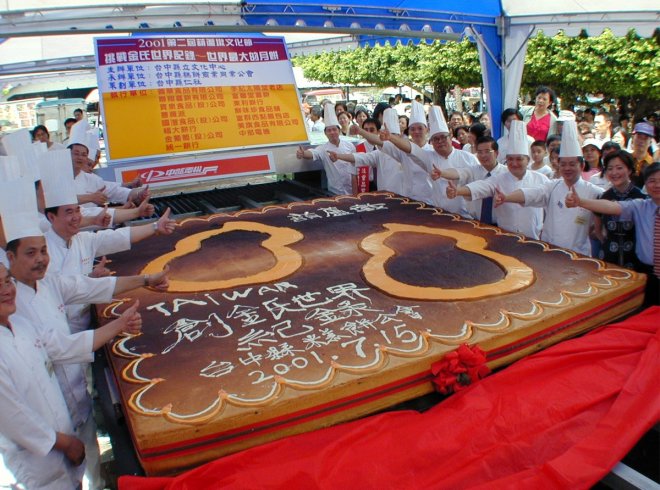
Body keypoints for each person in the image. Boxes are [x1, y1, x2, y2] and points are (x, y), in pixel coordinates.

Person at [0, 177, 169, 490]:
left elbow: (92, 288)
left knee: (86, 474)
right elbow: (12, 412)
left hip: (71, 408)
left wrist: (145, 280)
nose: (40, 260)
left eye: (42, 252)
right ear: (10, 259)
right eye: (30, 254)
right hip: (37, 453)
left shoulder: (44, 289)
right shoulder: (15, 309)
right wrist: (60, 442)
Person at [0, 262, 143, 490]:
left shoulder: (21, 325)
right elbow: (13, 418)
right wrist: (65, 443)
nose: (6, 290)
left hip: (65, 441)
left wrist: (121, 323)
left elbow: (66, 346)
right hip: (36, 464)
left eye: (7, 281)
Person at [495, 120, 603, 256]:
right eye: (563, 164)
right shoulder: (553, 186)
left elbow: (608, 211)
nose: (567, 168)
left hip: (578, 255)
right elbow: (532, 194)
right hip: (550, 251)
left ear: (581, 166)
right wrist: (507, 198)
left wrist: (597, 231)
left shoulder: (595, 191)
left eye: (572, 164)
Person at [566, 162, 659, 306]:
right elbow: (613, 206)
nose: (657, 185)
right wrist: (580, 202)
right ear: (646, 184)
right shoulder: (641, 206)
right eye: (652, 181)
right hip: (647, 273)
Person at [442, 121, 549, 238]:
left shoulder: (542, 180)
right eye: (510, 159)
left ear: (528, 160)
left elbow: (550, 204)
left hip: (532, 237)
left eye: (519, 159)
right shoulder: (499, 179)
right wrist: (457, 191)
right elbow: (481, 187)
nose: (514, 163)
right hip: (505, 236)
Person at [381, 105, 480, 217]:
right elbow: (412, 149)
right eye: (436, 139)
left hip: (464, 215)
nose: (440, 141)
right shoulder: (429, 157)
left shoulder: (468, 158)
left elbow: (479, 182)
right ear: (431, 141)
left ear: (451, 135)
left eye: (443, 137)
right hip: (438, 214)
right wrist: (391, 138)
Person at [430, 136, 507, 223]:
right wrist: (442, 173)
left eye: (487, 151)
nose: (483, 155)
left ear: (496, 153)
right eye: (480, 152)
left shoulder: (507, 173)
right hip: (476, 222)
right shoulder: (472, 170)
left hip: (501, 224)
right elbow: (458, 172)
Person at [590, 150, 646, 270]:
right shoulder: (603, 197)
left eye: (619, 168)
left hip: (635, 257)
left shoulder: (641, 197)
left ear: (630, 170)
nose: (614, 172)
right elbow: (598, 229)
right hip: (609, 255)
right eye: (610, 168)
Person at [328, 110, 404, 196]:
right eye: (387, 135)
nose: (390, 138)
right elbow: (360, 158)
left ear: (400, 136)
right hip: (382, 194)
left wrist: (360, 131)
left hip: (402, 196)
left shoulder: (405, 152)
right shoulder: (378, 153)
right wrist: (338, 156)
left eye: (393, 135)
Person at [296, 102, 356, 196]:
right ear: (325, 133)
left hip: (351, 190)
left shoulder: (350, 146)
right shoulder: (323, 149)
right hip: (334, 193)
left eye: (334, 129)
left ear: (339, 131)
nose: (332, 132)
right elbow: (312, 153)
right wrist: (303, 153)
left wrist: (356, 194)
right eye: (329, 130)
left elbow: (354, 170)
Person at [629, 122, 655, 187]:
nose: (641, 141)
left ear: (650, 142)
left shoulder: (653, 164)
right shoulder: (625, 160)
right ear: (633, 138)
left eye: (645, 138)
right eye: (639, 137)